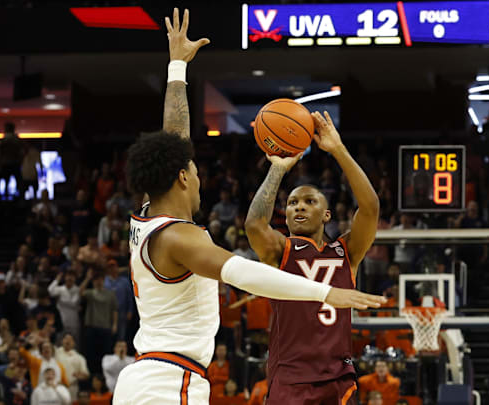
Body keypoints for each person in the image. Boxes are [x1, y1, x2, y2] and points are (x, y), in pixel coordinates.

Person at [112, 9, 384, 405]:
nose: (200, 175)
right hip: (167, 384)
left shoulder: (152, 213)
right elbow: (241, 272)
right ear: (183, 178)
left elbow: (174, 136)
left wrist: (177, 68)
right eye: (194, 168)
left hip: (151, 377)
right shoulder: (178, 238)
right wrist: (326, 294)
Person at [245, 109, 380, 405]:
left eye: (309, 201)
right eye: (292, 203)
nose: (299, 207)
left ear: (326, 215)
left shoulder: (346, 251)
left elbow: (370, 208)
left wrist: (338, 149)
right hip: (290, 376)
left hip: (337, 376)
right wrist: (278, 169)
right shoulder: (280, 251)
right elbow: (254, 224)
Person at [54, 334, 88, 401]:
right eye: (66, 338)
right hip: (57, 386)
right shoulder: (55, 352)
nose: (68, 341)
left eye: (70, 339)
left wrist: (80, 375)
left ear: (74, 343)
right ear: (62, 341)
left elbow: (86, 375)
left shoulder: (79, 357)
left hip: (72, 387)